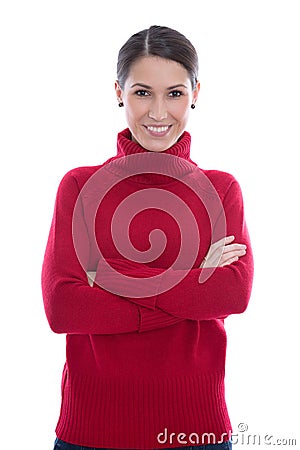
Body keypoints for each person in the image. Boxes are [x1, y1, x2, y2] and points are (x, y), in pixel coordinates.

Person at [42, 25, 254, 450]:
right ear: (118, 91)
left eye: (174, 93)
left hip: (197, 431)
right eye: (142, 93)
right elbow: (63, 308)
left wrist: (111, 274)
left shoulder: (221, 189)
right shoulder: (80, 186)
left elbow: (231, 295)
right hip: (90, 432)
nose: (158, 112)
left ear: (196, 93)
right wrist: (192, 280)